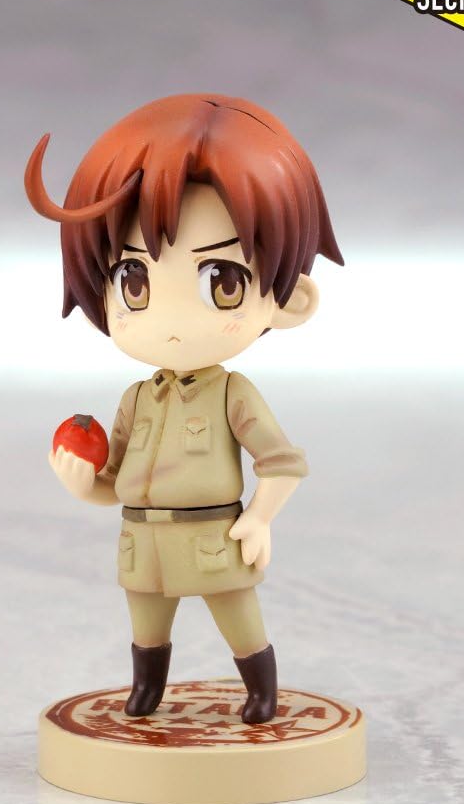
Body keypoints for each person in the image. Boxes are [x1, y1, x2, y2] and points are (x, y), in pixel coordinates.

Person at [24, 94, 343, 723]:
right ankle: (146, 690)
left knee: (238, 616)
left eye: (221, 282)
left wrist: (260, 518)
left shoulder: (233, 393)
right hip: (143, 538)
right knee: (146, 621)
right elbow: (115, 479)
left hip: (213, 534)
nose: (169, 320)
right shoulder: (136, 398)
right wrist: (84, 485)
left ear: (291, 300)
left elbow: (281, 461)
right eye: (133, 282)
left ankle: (261, 692)